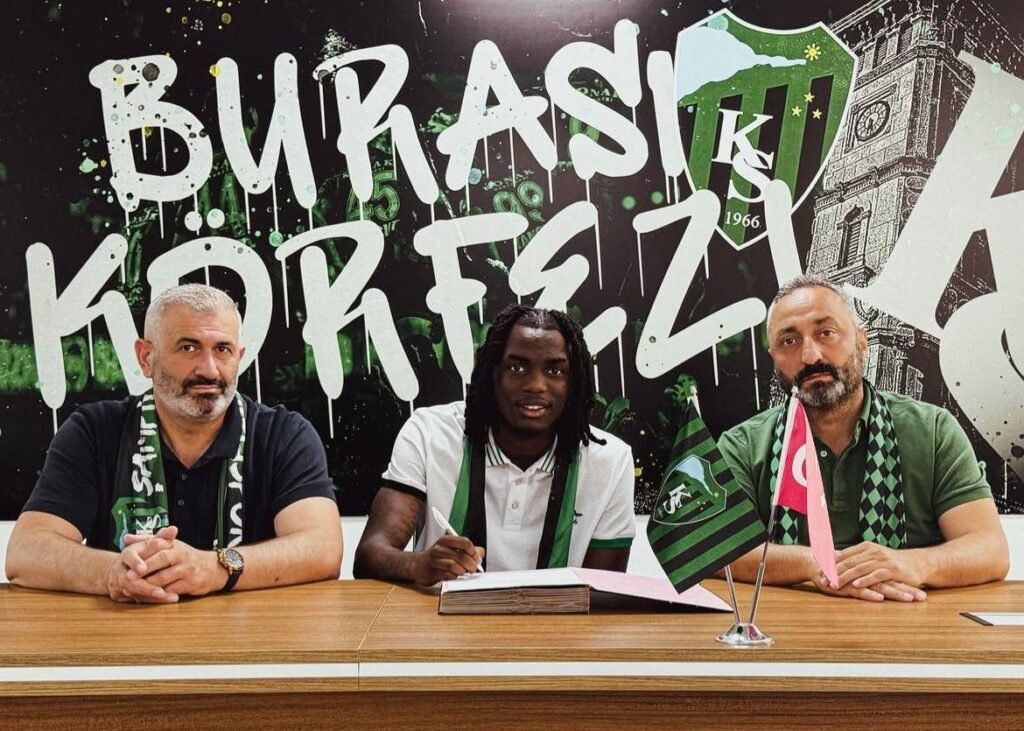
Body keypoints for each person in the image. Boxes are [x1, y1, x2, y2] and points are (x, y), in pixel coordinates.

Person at [5, 284, 342, 602]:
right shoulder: (94, 431)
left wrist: (216, 567)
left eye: (222, 349)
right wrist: (114, 573)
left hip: (252, 636)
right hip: (121, 634)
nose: (209, 370)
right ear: (145, 357)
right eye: (188, 347)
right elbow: (26, 553)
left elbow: (323, 549)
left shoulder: (284, 434)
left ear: (239, 356)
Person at [719, 275, 1009, 602]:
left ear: (861, 342)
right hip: (784, 627)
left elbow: (990, 549)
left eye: (826, 333)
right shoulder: (743, 445)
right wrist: (815, 564)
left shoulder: (933, 431)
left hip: (911, 621)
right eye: (789, 341)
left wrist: (913, 564)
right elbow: (714, 550)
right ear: (773, 357)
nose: (810, 356)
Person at [354, 305, 635, 585]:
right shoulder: (429, 432)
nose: (536, 385)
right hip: (440, 614)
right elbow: (369, 555)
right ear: (492, 372)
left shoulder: (611, 460)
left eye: (554, 370)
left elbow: (604, 591)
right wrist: (419, 564)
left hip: (560, 616)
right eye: (517, 367)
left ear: (573, 382)